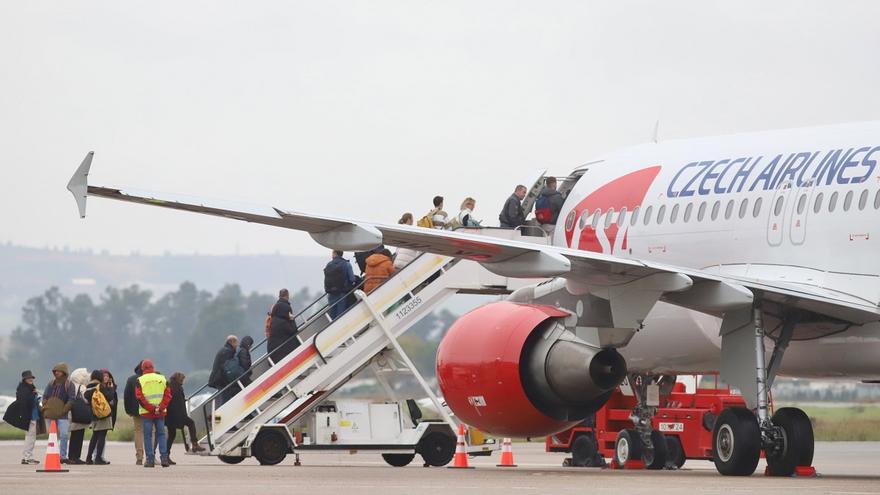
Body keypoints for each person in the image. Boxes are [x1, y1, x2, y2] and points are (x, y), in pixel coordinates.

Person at [135, 359, 171, 468]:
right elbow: (168, 395)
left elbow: (139, 398)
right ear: (153, 367)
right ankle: (164, 458)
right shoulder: (162, 378)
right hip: (160, 412)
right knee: (161, 435)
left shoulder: (140, 380)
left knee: (147, 436)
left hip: (147, 413)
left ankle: (150, 460)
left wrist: (151, 408)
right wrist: (160, 407)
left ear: (142, 368)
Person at [165, 372, 205, 465]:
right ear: (178, 379)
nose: (183, 382)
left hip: (170, 415)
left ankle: (166, 455)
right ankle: (195, 444)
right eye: (182, 380)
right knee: (191, 423)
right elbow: (178, 402)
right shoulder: (177, 387)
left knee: (172, 435)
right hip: (177, 414)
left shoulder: (169, 386)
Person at [41, 362, 75, 464]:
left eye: (58, 371)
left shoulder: (69, 384)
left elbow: (71, 399)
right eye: (55, 371)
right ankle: (53, 454)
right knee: (52, 436)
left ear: (64, 372)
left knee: (64, 435)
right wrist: (46, 406)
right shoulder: (51, 383)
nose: (56, 373)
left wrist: (63, 410)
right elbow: (45, 396)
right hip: (51, 415)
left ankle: (63, 456)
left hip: (63, 416)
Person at [9, 370, 44, 465]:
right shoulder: (23, 389)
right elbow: (25, 401)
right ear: (24, 379)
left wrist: (35, 396)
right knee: (30, 437)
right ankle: (27, 457)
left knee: (31, 437)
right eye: (28, 378)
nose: (30, 379)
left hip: (33, 415)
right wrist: (34, 395)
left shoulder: (30, 388)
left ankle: (27, 456)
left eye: (31, 378)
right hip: (29, 416)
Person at [85, 369, 114, 465]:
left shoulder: (88, 387)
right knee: (102, 436)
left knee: (95, 436)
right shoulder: (100, 386)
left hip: (94, 414)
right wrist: (111, 388)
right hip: (103, 414)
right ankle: (98, 458)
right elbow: (109, 397)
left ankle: (88, 458)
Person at [267, 289, 300, 362]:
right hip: (282, 354)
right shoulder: (283, 322)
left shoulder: (274, 320)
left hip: (274, 353)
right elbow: (293, 331)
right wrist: (292, 320)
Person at [123, 361, 146, 465]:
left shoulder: (131, 379)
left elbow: (126, 396)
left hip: (136, 411)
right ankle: (151, 455)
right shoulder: (152, 378)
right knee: (152, 432)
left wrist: (128, 410)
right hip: (151, 410)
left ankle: (139, 456)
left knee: (138, 432)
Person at [66, 367, 91, 465]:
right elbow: (86, 400)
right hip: (80, 415)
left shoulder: (69, 386)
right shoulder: (82, 387)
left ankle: (71, 456)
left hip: (72, 414)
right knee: (79, 436)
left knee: (73, 436)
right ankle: (76, 457)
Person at [324, 250, 356, 319]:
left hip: (331, 293)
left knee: (332, 314)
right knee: (340, 315)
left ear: (335, 253)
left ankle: (332, 328)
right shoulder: (346, 264)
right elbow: (352, 279)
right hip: (342, 293)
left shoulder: (329, 264)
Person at [208, 335, 238, 405]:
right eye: (236, 342)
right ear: (232, 342)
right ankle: (223, 416)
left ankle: (222, 415)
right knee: (225, 402)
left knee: (224, 400)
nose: (237, 345)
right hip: (221, 381)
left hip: (219, 380)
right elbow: (226, 368)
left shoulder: (224, 350)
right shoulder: (227, 351)